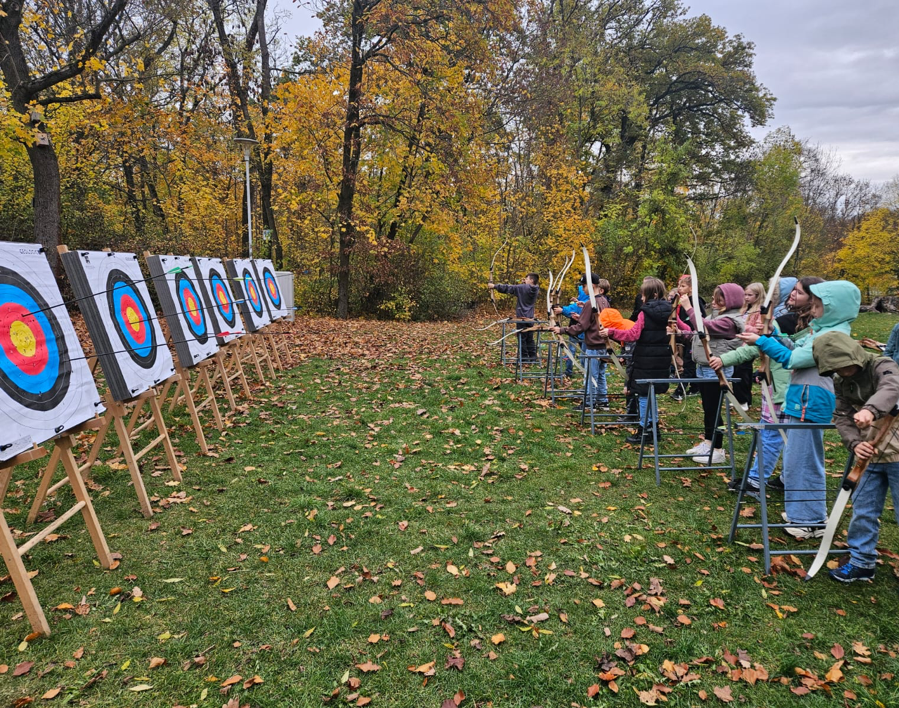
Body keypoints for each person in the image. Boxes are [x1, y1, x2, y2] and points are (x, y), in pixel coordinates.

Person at [740, 280, 861, 540]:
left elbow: (794, 360)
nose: (813, 309)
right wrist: (772, 337)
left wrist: (762, 340)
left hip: (811, 399)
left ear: (833, 308)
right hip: (803, 398)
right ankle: (803, 512)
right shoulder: (822, 330)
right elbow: (797, 349)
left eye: (818, 305)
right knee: (796, 458)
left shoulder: (832, 335)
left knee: (803, 460)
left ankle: (811, 520)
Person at [811, 331, 899, 582]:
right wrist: (854, 443)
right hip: (869, 456)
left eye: (844, 365)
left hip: (897, 452)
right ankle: (862, 562)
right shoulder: (841, 381)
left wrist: (871, 410)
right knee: (864, 510)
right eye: (836, 368)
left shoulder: (883, 365)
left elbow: (892, 388)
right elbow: (842, 414)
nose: (842, 371)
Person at [675, 282, 746, 465]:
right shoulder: (719, 317)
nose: (714, 302)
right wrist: (680, 330)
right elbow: (700, 333)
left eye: (719, 300)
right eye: (714, 299)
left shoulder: (729, 321)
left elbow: (703, 326)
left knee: (714, 411)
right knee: (708, 408)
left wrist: (689, 307)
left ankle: (718, 449)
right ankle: (709, 442)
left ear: (730, 301)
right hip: (705, 368)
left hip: (716, 370)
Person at [602, 277, 672, 444]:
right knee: (651, 393)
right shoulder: (669, 310)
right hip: (661, 358)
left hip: (646, 359)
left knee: (643, 394)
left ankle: (644, 430)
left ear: (651, 294)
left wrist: (611, 332)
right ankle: (654, 429)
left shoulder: (644, 312)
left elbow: (633, 335)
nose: (641, 298)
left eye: (643, 295)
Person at [549, 273, 610, 410]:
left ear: (592, 285)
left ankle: (589, 403)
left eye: (584, 286)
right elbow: (595, 321)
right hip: (603, 344)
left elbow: (582, 327)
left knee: (591, 375)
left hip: (593, 345)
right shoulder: (604, 301)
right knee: (600, 374)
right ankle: (602, 401)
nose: (583, 289)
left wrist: (562, 330)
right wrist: (583, 310)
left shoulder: (591, 303)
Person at [490, 273, 540, 362]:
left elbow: (509, 288)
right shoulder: (536, 288)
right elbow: (525, 288)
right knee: (529, 338)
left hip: (522, 317)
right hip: (530, 317)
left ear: (531, 280)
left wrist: (494, 286)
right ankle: (533, 357)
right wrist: (524, 284)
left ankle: (524, 359)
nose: (525, 280)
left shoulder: (522, 288)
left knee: (522, 337)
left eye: (527, 278)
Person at [731, 282, 766, 409]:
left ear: (758, 295)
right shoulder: (745, 308)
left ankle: (743, 400)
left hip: (750, 343)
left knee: (742, 370)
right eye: (745, 294)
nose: (746, 297)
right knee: (738, 370)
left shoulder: (761, 310)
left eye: (750, 295)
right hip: (739, 342)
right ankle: (741, 398)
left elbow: (759, 329)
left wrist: (741, 326)